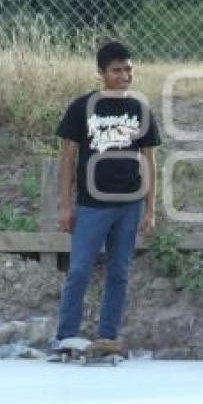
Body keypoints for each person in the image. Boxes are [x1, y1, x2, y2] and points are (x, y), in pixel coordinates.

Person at [53, 41, 160, 351]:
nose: (124, 75)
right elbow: (68, 158)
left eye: (128, 69)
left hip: (130, 205)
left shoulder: (140, 109)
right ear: (101, 73)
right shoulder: (82, 107)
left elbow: (150, 160)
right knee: (80, 270)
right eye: (116, 70)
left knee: (119, 272)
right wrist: (65, 205)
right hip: (91, 205)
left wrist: (151, 208)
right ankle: (65, 337)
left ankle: (108, 336)